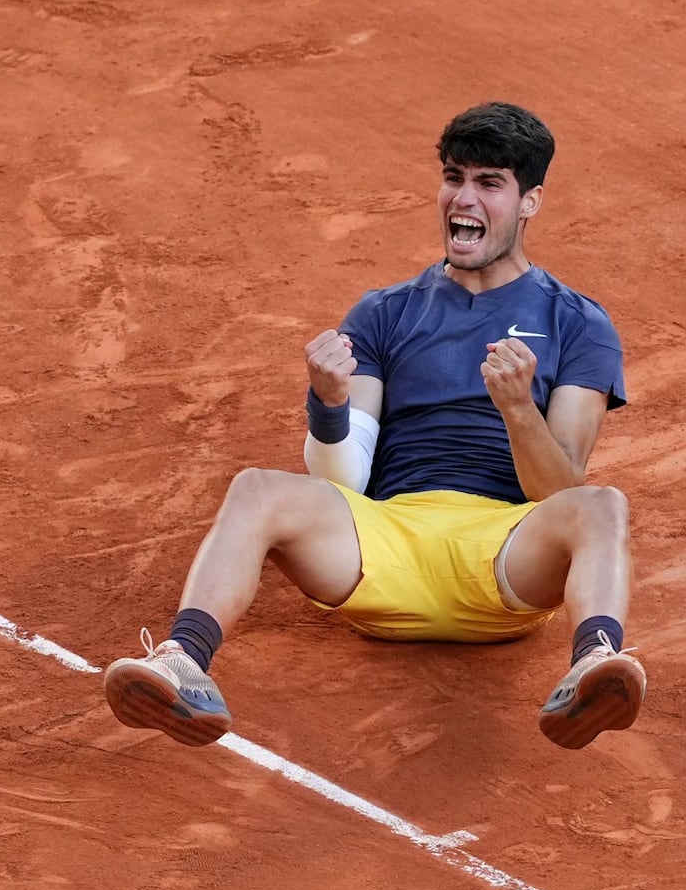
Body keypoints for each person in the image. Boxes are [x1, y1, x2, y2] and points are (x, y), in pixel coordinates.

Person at [103, 101, 645, 752]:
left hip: (505, 560)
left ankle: (594, 665)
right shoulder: (383, 313)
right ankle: (183, 662)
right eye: (454, 177)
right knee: (255, 488)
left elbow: (559, 492)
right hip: (382, 549)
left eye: (489, 183)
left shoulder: (578, 323)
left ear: (530, 201)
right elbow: (345, 477)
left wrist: (517, 409)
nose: (463, 198)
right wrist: (329, 405)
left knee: (602, 506)